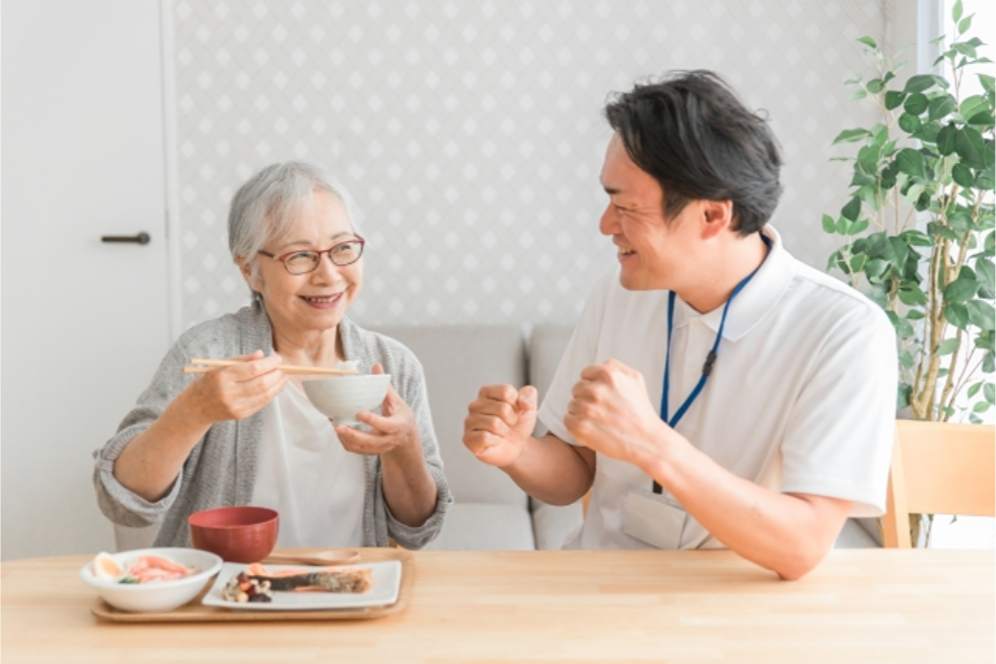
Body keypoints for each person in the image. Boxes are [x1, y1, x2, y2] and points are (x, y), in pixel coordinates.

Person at [462, 70, 896, 579]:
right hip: (599, 594)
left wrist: (652, 444)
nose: (605, 225)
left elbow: (801, 547)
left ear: (712, 216)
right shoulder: (622, 291)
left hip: (741, 609)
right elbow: (574, 472)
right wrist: (519, 452)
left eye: (625, 206)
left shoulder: (844, 331)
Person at [94, 161, 451, 549]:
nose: (329, 275)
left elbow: (418, 530)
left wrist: (404, 446)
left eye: (343, 248)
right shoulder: (211, 353)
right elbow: (121, 502)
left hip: (352, 594)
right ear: (250, 270)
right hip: (227, 595)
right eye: (299, 256)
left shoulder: (393, 365)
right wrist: (194, 412)